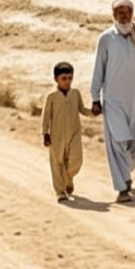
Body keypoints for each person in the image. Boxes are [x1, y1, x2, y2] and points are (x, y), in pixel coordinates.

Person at [90, 0, 135, 204]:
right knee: (118, 140)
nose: (123, 16)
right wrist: (95, 97)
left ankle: (123, 170)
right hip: (113, 99)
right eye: (119, 12)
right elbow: (99, 69)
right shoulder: (106, 39)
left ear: (132, 13)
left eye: (127, 12)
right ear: (113, 15)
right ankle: (123, 186)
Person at [41, 61, 90, 203]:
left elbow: (81, 109)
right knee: (57, 162)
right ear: (56, 79)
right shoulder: (51, 96)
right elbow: (46, 115)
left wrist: (93, 112)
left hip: (74, 133)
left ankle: (68, 178)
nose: (67, 82)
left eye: (70, 78)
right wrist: (45, 133)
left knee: (76, 160)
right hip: (56, 135)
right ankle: (60, 191)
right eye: (64, 78)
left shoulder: (75, 93)